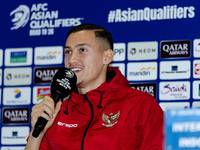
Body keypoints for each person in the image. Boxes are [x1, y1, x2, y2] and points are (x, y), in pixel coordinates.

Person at [25, 23, 164, 150]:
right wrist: (36, 135)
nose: (72, 59)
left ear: (107, 57)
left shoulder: (141, 105)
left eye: (82, 50)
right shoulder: (56, 112)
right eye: (68, 52)